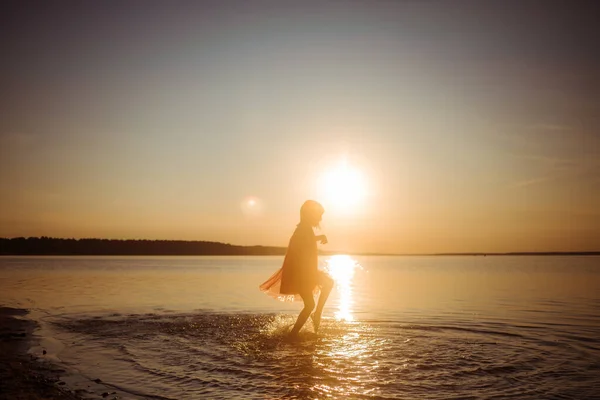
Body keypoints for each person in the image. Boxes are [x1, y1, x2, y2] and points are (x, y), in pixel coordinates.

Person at [259, 200, 334, 337]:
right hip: (301, 274)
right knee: (313, 302)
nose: (320, 219)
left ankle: (303, 326)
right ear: (310, 215)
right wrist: (319, 238)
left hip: (305, 273)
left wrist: (318, 238)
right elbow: (299, 242)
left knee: (314, 299)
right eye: (319, 215)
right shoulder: (303, 229)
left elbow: (305, 240)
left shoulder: (305, 228)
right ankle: (298, 330)